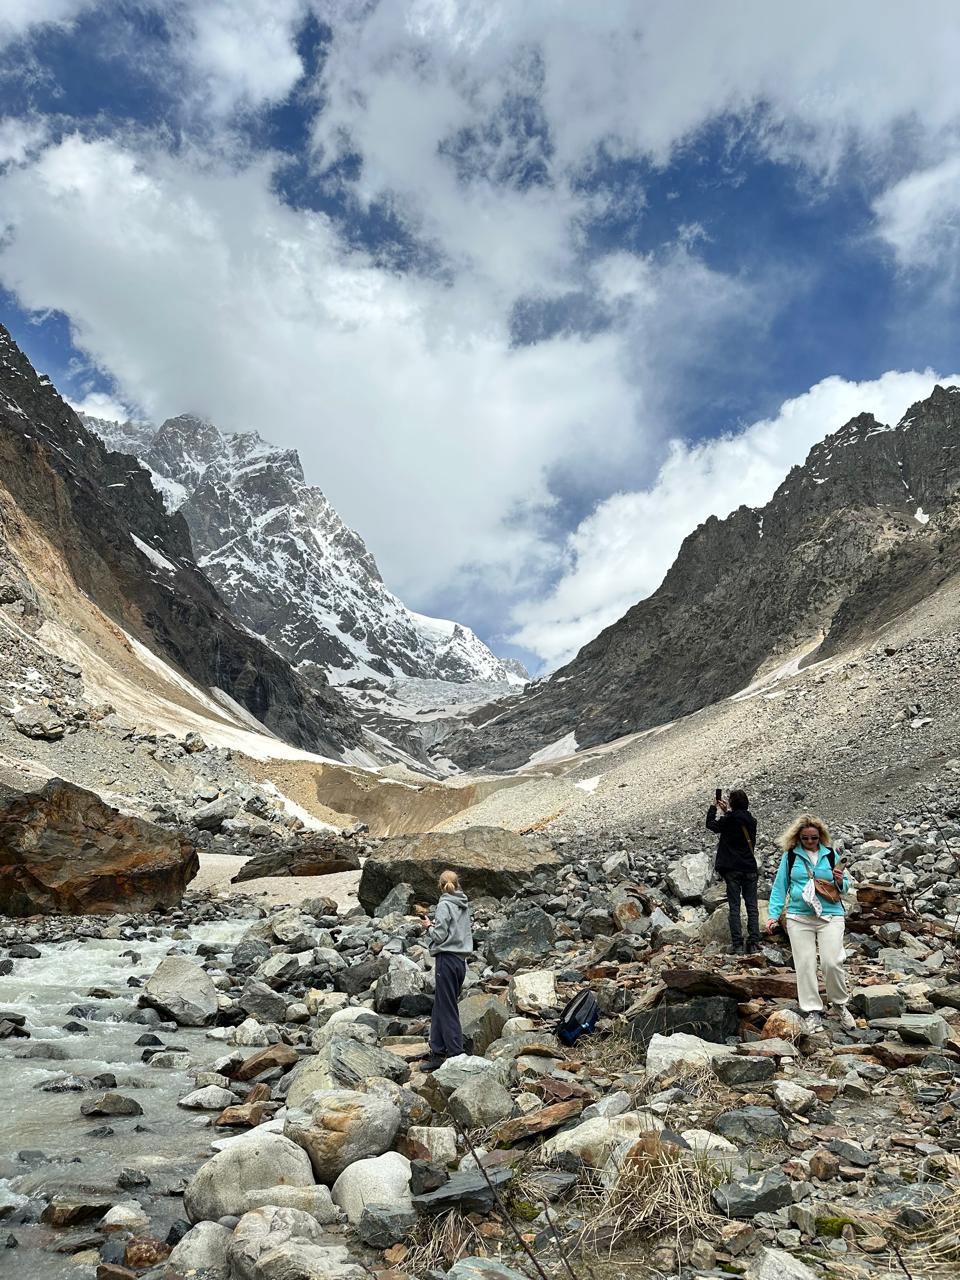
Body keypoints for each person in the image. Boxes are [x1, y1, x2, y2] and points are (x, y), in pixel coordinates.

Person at [766, 814, 855, 1034]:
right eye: (805, 838)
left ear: (820, 836)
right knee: (805, 964)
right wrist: (773, 915)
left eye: (813, 838)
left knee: (832, 961)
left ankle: (840, 1004)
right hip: (799, 916)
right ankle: (812, 1011)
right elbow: (780, 887)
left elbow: (846, 887)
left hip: (831, 915)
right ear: (798, 837)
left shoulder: (831, 854)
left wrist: (839, 879)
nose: (809, 842)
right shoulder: (790, 857)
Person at [420, 869, 473, 1071]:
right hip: (460, 961)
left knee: (447, 1006)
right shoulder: (462, 902)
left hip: (447, 960)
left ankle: (455, 1052)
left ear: (440, 885)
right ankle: (438, 1050)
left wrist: (428, 927)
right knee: (441, 1005)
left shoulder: (444, 904)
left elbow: (440, 936)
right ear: (457, 884)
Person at [707, 789, 759, 954]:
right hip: (749, 868)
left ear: (732, 803)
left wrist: (713, 807)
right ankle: (754, 943)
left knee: (734, 906)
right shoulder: (751, 821)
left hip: (732, 869)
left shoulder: (729, 820)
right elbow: (738, 821)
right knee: (752, 906)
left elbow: (711, 825)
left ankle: (737, 944)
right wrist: (727, 812)